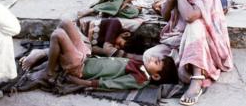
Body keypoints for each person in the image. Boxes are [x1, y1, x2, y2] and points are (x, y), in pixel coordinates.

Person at [143, 0, 233, 106]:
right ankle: (183, 69)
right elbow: (165, 15)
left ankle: (197, 79)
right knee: (149, 55)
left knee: (195, 24)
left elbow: (190, 16)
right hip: (178, 41)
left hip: (202, 44)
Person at [18, 20, 178, 90]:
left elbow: (111, 84)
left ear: (155, 77)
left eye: (156, 62)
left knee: (58, 34)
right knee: (66, 22)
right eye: (157, 58)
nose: (153, 58)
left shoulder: (140, 78)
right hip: (86, 58)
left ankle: (50, 72)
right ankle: (46, 55)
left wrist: (80, 82)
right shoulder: (140, 65)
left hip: (79, 68)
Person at [19, 18, 144, 72]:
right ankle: (41, 53)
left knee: (82, 55)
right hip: (74, 30)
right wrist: (131, 56)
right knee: (86, 52)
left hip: (78, 43)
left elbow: (97, 49)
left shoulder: (108, 40)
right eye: (120, 44)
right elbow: (107, 49)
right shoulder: (115, 24)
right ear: (126, 34)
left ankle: (43, 54)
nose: (116, 47)